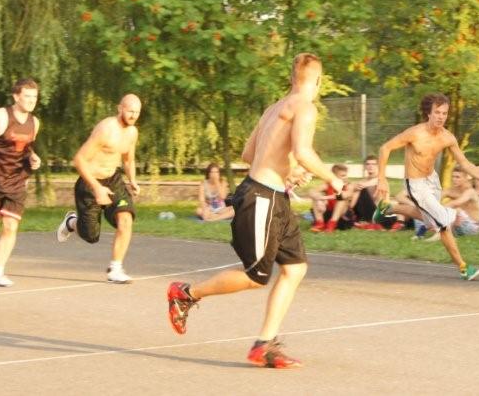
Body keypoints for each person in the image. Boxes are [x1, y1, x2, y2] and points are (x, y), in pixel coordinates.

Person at [166, 53, 345, 368]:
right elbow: (303, 152)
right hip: (262, 198)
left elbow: (249, 153)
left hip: (273, 196)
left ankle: (264, 344)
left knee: (295, 268)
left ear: (291, 78)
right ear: (318, 81)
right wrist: (332, 178)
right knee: (255, 276)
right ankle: (187, 293)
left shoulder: (274, 107)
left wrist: (288, 170)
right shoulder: (305, 107)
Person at [374, 93, 479, 280]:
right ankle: (463, 267)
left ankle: (387, 208)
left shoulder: (447, 137)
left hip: (432, 180)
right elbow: (385, 148)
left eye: (444, 113)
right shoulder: (415, 133)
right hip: (415, 184)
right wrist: (381, 178)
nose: (441, 117)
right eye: (437, 112)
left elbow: (465, 164)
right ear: (428, 113)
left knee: (429, 219)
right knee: (443, 222)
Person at [55, 94, 141, 284]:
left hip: (113, 179)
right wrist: (97, 188)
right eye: (130, 111)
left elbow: (128, 159)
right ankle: (71, 222)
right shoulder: (106, 129)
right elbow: (79, 159)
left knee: (126, 220)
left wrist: (132, 180)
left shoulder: (132, 132)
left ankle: (115, 269)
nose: (133, 115)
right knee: (90, 235)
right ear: (120, 108)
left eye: (137, 112)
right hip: (90, 182)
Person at [0, 78, 41, 287]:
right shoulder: (0, 116)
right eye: (27, 96)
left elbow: (26, 148)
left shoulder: (35, 122)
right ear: (16, 97)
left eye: (35, 97)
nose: (31, 101)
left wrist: (33, 158)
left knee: (10, 226)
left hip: (16, 181)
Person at [308, 164, 352, 232]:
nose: (345, 178)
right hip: (329, 214)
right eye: (342, 176)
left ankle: (332, 223)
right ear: (334, 176)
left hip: (342, 217)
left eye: (345, 175)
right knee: (315, 197)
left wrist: (323, 198)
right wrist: (318, 200)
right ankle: (320, 223)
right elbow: (311, 191)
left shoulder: (349, 186)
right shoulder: (328, 185)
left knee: (341, 199)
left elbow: (343, 195)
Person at [443, 166, 479, 236]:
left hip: (472, 228)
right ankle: (421, 232)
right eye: (453, 177)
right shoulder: (451, 190)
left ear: (465, 178)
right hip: (457, 226)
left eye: (457, 177)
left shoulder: (470, 192)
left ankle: (440, 235)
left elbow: (455, 203)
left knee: (456, 210)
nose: (454, 179)